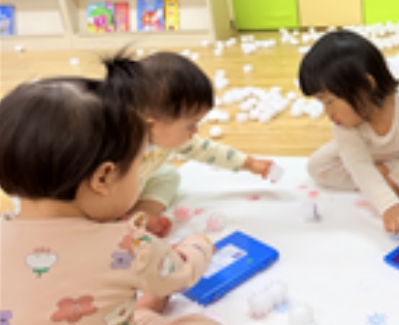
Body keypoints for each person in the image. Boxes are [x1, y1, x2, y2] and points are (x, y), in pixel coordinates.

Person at [0, 77, 227, 325]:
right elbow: (180, 274)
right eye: (138, 166)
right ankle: (140, 315)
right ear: (103, 177)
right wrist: (198, 245)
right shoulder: (128, 245)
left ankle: (135, 315)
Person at [105, 52, 275, 237]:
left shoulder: (164, 137)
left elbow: (207, 150)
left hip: (137, 182)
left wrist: (249, 163)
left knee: (168, 175)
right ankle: (118, 219)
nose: (195, 130)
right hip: (107, 195)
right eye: (190, 125)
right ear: (151, 126)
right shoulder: (115, 150)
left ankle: (144, 212)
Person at [299, 30, 399, 234]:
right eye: (321, 102)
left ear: (366, 86)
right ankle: (381, 174)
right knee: (317, 166)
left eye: (330, 101)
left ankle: (385, 173)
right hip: (370, 157)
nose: (327, 112)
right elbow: (358, 164)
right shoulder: (344, 123)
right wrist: (388, 203)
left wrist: (396, 182)